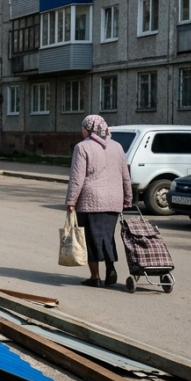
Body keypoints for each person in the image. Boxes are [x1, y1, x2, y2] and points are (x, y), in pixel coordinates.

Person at [66, 115, 133, 287]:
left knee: (90, 238)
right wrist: (128, 198)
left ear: (89, 129)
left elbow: (77, 177)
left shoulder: (82, 147)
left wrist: (71, 200)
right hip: (113, 201)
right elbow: (125, 175)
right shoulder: (117, 147)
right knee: (107, 236)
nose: (81, 131)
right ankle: (110, 267)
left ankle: (95, 277)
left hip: (90, 201)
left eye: (83, 127)